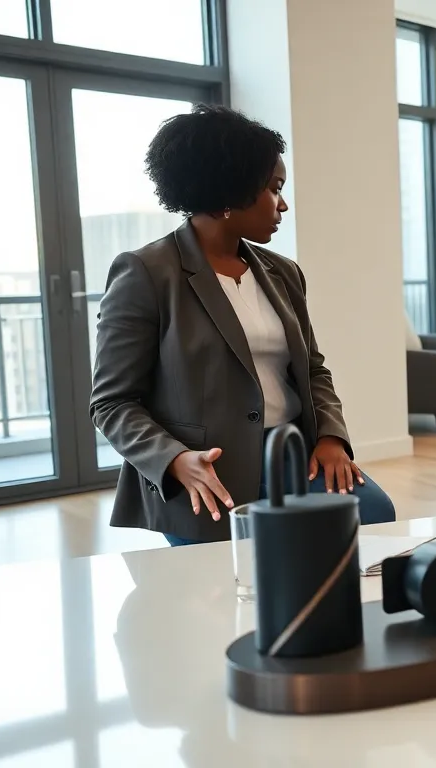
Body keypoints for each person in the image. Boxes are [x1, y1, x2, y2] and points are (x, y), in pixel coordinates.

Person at [90, 104, 396, 546]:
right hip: (208, 475)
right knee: (232, 588)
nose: (283, 204)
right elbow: (112, 403)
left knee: (374, 515)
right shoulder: (146, 273)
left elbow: (313, 370)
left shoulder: (283, 272)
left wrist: (331, 437)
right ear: (230, 191)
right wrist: (175, 459)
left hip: (294, 455)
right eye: (274, 189)